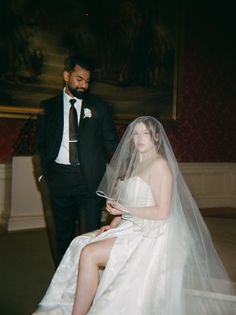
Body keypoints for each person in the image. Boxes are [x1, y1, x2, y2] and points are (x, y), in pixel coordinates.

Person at [34, 116, 236, 314]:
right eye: (136, 133)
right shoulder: (136, 163)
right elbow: (133, 202)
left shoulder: (160, 166)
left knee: (89, 253)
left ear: (156, 137)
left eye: (145, 133)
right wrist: (115, 222)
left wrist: (124, 210)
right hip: (131, 226)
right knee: (80, 243)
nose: (139, 138)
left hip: (152, 234)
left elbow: (162, 211)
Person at [36, 55, 118, 265]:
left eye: (87, 81)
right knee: (62, 234)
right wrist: (44, 175)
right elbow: (41, 146)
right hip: (59, 179)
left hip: (89, 180)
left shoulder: (100, 107)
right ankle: (63, 281)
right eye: (79, 79)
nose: (83, 85)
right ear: (66, 75)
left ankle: (85, 280)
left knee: (90, 235)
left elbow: (111, 143)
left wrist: (123, 171)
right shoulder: (48, 107)